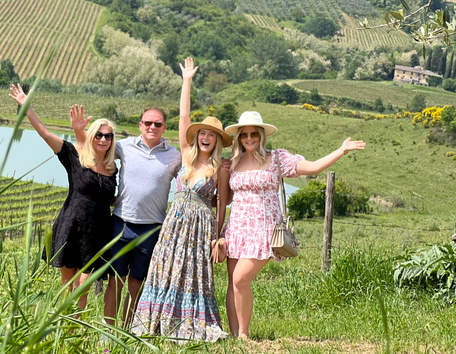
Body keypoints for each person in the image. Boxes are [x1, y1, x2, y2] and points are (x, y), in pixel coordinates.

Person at [223, 110, 366, 339]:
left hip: (263, 231)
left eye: (254, 134)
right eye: (244, 135)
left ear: (262, 135)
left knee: (241, 279)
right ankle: (233, 334)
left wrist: (341, 150)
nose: (249, 138)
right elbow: (224, 196)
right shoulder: (233, 162)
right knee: (232, 283)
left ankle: (244, 335)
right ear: (239, 137)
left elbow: (313, 167)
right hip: (236, 229)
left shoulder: (276, 158)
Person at [131, 57, 230, 341]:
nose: (206, 138)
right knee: (164, 268)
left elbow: (222, 205)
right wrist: (186, 80)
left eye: (211, 135)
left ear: (217, 141)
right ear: (197, 136)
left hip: (200, 228)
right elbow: (184, 117)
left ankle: (189, 322)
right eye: (203, 133)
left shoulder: (220, 169)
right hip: (174, 225)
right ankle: (157, 319)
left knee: (192, 274)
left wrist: (218, 236)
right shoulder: (185, 154)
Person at [72, 104, 182, 327]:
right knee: (115, 281)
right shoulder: (124, 146)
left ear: (164, 128)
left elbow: (194, 171)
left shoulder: (174, 156)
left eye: (157, 124)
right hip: (120, 224)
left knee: (137, 283)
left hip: (152, 229)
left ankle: (130, 328)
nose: (152, 127)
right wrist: (78, 130)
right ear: (140, 125)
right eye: (148, 123)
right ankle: (109, 330)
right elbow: (97, 144)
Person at [9, 84, 117, 311]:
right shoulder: (73, 154)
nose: (103, 139)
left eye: (108, 136)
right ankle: (67, 328)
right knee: (68, 285)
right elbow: (45, 133)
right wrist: (27, 107)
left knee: (84, 283)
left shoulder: (111, 168)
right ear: (92, 135)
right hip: (71, 224)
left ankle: (75, 324)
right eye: (98, 134)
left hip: (97, 232)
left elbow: (109, 198)